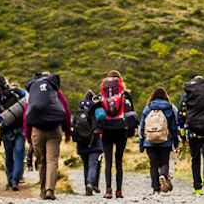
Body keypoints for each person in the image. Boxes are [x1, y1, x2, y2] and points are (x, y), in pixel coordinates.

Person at [24, 72, 72, 201]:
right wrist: (68, 132)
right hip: (54, 130)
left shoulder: (33, 93)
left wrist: (28, 135)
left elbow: (27, 115)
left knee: (41, 162)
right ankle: (50, 189)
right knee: (52, 161)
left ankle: (43, 190)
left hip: (37, 131)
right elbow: (66, 112)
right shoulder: (56, 91)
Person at [95, 71, 138, 199]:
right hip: (121, 130)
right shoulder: (125, 94)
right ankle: (119, 191)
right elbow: (131, 114)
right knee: (118, 161)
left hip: (107, 130)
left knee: (108, 161)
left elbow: (97, 113)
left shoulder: (102, 95)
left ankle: (108, 190)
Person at [0, 75, 28, 191]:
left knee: (9, 156)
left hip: (6, 130)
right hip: (20, 129)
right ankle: (15, 181)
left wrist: (5, 117)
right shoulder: (16, 91)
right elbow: (28, 100)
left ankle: (10, 180)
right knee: (19, 156)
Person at [140, 87, 180, 194]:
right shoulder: (169, 108)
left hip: (149, 141)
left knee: (153, 165)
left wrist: (141, 144)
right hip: (165, 141)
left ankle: (155, 188)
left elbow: (142, 127)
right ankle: (163, 174)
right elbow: (174, 127)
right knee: (164, 162)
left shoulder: (147, 108)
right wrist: (175, 142)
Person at [74, 91, 104, 196]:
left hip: (81, 143)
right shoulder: (95, 108)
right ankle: (90, 184)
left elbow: (74, 126)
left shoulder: (79, 109)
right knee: (93, 165)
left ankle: (86, 184)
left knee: (86, 165)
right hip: (94, 142)